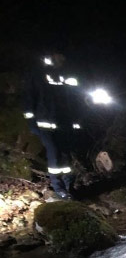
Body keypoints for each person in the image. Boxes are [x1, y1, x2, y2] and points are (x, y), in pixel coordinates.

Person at [23, 53, 83, 199]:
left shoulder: (69, 75)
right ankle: (59, 188)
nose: (61, 59)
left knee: (66, 156)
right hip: (46, 124)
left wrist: (77, 121)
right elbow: (29, 98)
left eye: (62, 56)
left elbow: (76, 100)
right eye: (58, 56)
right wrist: (31, 122)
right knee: (54, 156)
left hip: (66, 123)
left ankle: (69, 187)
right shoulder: (38, 74)